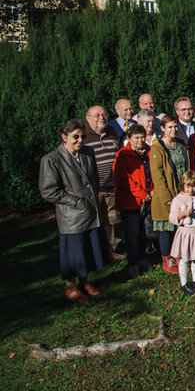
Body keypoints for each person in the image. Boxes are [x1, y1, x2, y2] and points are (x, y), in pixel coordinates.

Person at [39, 119, 109, 302]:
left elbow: (93, 178)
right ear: (64, 137)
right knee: (75, 253)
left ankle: (84, 282)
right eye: (75, 137)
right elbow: (48, 191)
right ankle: (69, 287)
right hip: (72, 215)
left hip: (91, 212)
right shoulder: (51, 159)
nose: (80, 140)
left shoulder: (87, 152)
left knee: (90, 249)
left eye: (83, 136)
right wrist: (76, 202)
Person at [150, 115, 189, 274]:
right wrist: (167, 198)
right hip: (167, 194)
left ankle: (177, 254)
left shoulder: (180, 145)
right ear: (162, 129)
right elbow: (157, 175)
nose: (173, 130)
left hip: (183, 191)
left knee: (179, 227)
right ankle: (166, 258)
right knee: (167, 228)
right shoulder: (158, 148)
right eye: (170, 127)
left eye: (175, 127)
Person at [114, 124, 154, 278]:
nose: (140, 140)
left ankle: (142, 257)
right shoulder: (123, 155)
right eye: (136, 138)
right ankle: (132, 263)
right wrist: (142, 193)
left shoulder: (149, 151)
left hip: (147, 198)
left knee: (143, 231)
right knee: (132, 232)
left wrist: (152, 190)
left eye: (142, 137)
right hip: (131, 200)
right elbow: (124, 180)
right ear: (129, 138)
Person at [83, 105, 123, 261]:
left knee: (114, 219)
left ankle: (115, 249)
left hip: (113, 185)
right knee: (96, 220)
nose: (102, 118)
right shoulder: (84, 136)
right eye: (97, 115)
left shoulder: (112, 132)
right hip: (94, 188)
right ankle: (99, 251)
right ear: (88, 118)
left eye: (104, 115)